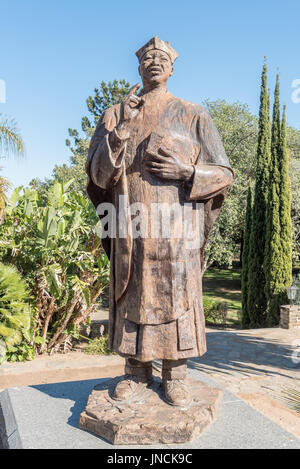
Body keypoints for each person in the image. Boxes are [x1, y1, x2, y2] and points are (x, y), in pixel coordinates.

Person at [86, 36, 233, 406]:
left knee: (177, 295)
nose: (154, 62)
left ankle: (176, 373)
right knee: (133, 292)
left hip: (177, 233)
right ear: (138, 67)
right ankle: (136, 373)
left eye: (161, 57)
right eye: (147, 58)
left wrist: (187, 171)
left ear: (171, 68)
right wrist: (120, 134)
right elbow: (98, 177)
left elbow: (224, 174)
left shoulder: (194, 113)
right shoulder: (116, 114)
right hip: (132, 228)